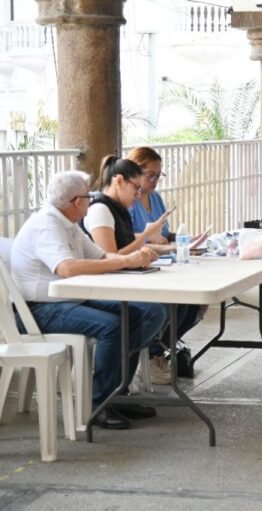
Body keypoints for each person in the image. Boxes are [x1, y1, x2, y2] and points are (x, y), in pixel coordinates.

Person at [10, 170, 166, 430]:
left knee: (148, 313)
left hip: (70, 301)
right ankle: (99, 403)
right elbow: (66, 268)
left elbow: (102, 256)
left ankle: (117, 389)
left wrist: (137, 259)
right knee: (112, 326)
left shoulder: (68, 224)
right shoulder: (47, 224)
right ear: (75, 201)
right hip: (39, 309)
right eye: (88, 196)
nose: (91, 201)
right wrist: (126, 261)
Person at [82, 155, 178, 385]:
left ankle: (121, 382)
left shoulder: (119, 208)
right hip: (102, 285)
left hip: (119, 280)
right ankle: (115, 383)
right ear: (119, 181)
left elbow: (124, 252)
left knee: (172, 306)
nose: (138, 194)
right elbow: (111, 256)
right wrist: (144, 240)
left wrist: (146, 242)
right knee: (153, 311)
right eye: (136, 187)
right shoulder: (100, 209)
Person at [126, 147, 205, 381]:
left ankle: (162, 347)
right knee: (170, 304)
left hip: (163, 262)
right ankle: (153, 353)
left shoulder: (155, 198)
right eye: (150, 175)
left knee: (194, 304)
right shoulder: (126, 202)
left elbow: (165, 234)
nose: (155, 181)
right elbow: (130, 240)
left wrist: (185, 241)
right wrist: (169, 246)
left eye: (159, 175)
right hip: (144, 265)